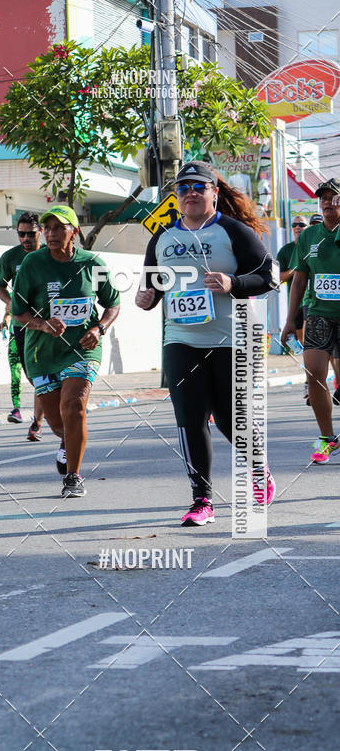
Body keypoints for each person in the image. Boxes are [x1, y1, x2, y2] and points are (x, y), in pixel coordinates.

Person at [136, 161, 274, 526]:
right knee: (191, 419)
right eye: (184, 188)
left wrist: (234, 284)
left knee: (231, 419)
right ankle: (202, 501)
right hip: (181, 339)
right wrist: (147, 298)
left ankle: (259, 470)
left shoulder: (233, 231)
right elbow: (152, 287)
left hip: (230, 340)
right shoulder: (162, 238)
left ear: (214, 192)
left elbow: (269, 276)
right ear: (176, 197)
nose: (191, 193)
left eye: (199, 187)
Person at [11, 205, 120, 497]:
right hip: (42, 353)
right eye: (47, 228)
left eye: (59, 227)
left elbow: (113, 303)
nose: (51, 233)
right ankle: (66, 441)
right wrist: (43, 325)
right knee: (59, 422)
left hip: (82, 349)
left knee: (74, 407)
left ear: (74, 231)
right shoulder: (33, 264)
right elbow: (18, 313)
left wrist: (99, 329)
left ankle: (73, 476)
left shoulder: (92, 263)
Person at [282, 178, 340, 463]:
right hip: (318, 314)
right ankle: (327, 438)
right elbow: (299, 279)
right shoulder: (309, 236)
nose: (328, 202)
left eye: (334, 197)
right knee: (314, 374)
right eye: (323, 198)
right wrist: (290, 319)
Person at [0, 212, 46, 439]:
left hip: (47, 324)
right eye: (21, 234)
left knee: (43, 373)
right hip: (21, 324)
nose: (25, 238)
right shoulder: (10, 257)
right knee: (31, 374)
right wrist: (11, 303)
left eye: (30, 234)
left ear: (40, 233)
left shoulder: (49, 254)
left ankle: (37, 423)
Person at [278, 215, 308, 397]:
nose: (297, 227)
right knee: (305, 346)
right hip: (295, 303)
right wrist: (295, 270)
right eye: (294, 224)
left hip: (312, 303)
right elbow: (278, 278)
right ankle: (309, 382)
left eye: (301, 225)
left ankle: (313, 382)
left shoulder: (314, 246)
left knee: (311, 344)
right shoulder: (286, 251)